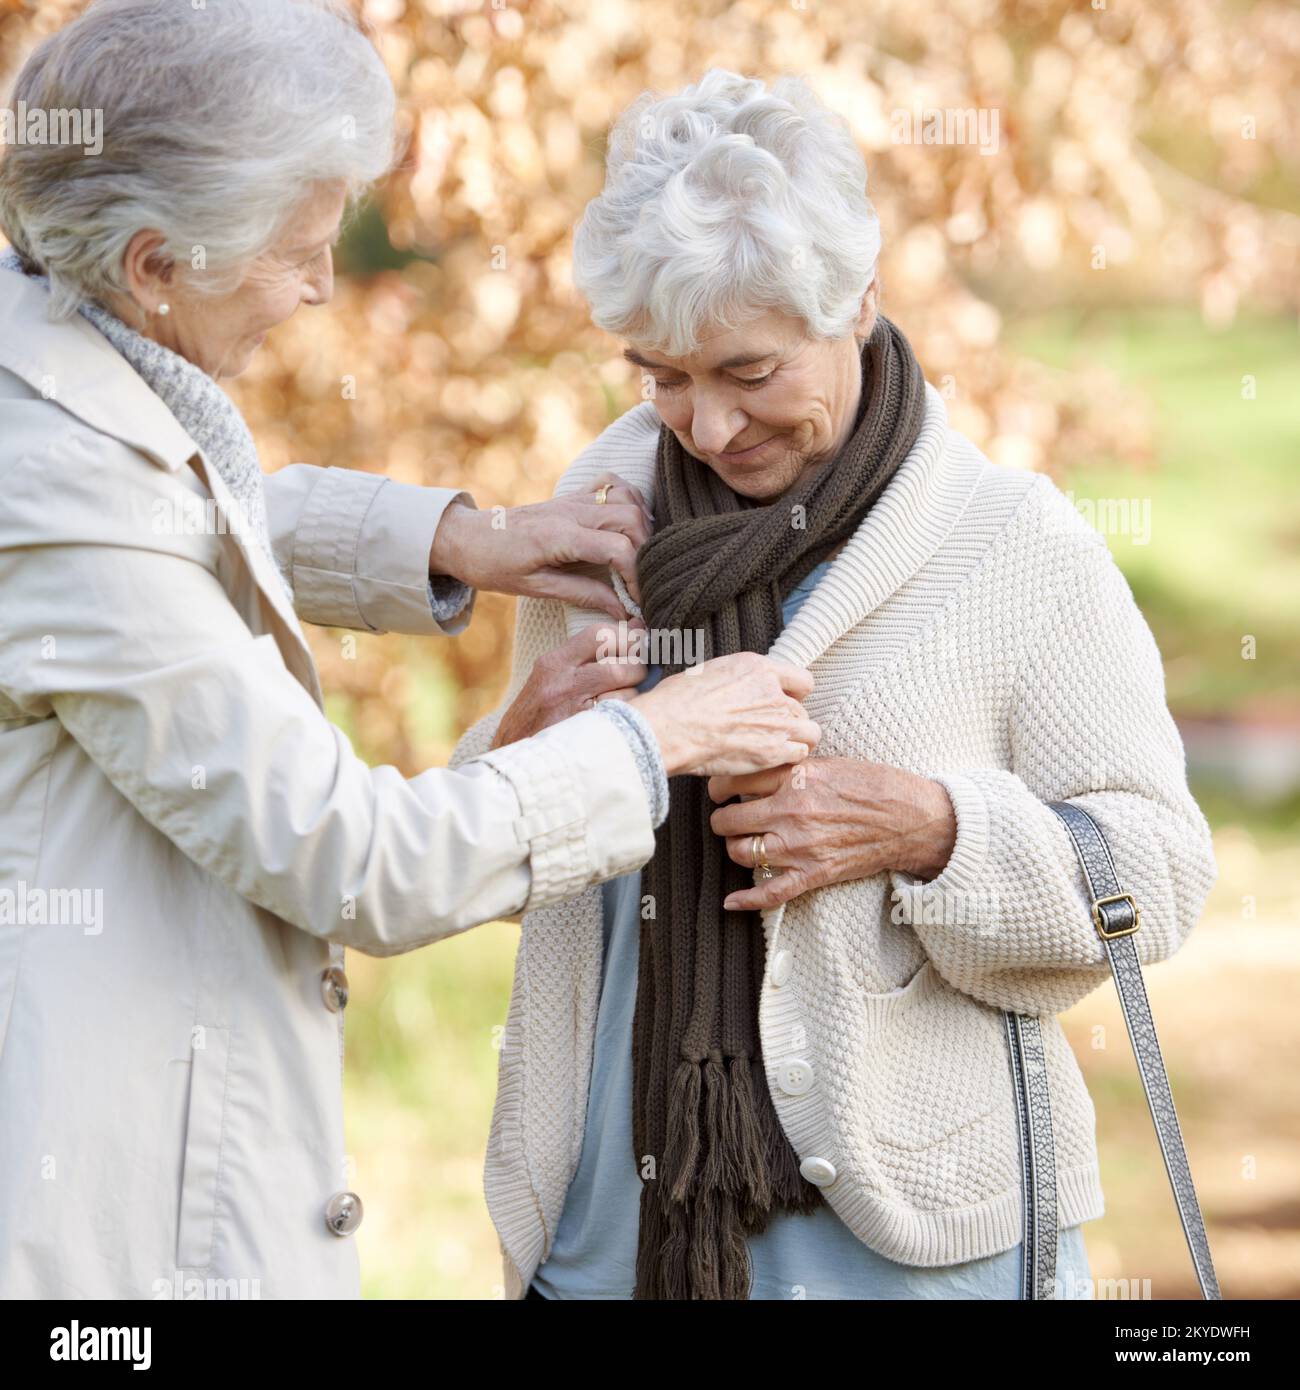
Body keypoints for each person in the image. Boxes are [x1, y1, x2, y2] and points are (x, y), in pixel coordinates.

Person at [0, 4, 819, 1298]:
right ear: (158, 263)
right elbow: (356, 860)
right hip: (90, 1208)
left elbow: (190, 514)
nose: (322, 284)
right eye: (298, 248)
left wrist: (455, 541)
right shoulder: (52, 499)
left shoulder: (50, 334)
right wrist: (653, 739)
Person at [455, 68, 1218, 1300]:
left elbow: (1160, 872)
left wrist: (929, 829)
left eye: (750, 373)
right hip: (614, 1238)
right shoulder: (592, 528)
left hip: (921, 1248)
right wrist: (514, 752)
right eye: (662, 374)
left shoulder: (1010, 543)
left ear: (856, 302)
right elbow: (508, 862)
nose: (703, 426)